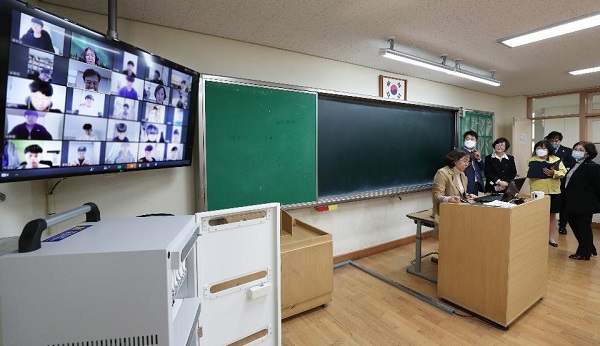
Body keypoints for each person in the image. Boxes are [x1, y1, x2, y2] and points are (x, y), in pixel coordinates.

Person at [563, 141, 600, 260]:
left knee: (583, 228)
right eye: (575, 149)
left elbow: (598, 186)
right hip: (572, 202)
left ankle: (584, 253)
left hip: (584, 203)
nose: (576, 152)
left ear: (588, 154)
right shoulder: (576, 164)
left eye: (580, 150)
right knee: (576, 227)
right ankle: (590, 247)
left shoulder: (592, 166)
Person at [526, 140, 567, 248]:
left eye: (543, 148)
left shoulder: (556, 160)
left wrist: (553, 172)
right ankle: (537, 237)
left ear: (549, 150)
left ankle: (551, 238)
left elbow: (563, 173)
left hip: (554, 191)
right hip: (538, 191)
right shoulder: (532, 160)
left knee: (552, 215)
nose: (540, 150)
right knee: (537, 215)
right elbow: (529, 174)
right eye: (538, 148)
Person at [431, 148, 477, 237]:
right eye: (464, 161)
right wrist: (449, 199)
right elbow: (437, 196)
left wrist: (468, 195)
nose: (467, 164)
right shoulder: (442, 173)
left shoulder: (462, 174)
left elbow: (460, 193)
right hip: (445, 212)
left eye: (468, 161)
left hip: (459, 209)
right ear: (455, 160)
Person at [545, 131, 577, 235]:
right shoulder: (544, 150)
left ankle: (562, 226)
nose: (554, 143)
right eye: (552, 141)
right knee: (548, 204)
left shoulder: (567, 151)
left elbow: (572, 163)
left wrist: (558, 164)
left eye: (556, 141)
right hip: (547, 181)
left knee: (563, 204)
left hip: (562, 180)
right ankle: (545, 226)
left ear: (560, 141)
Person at [462, 130, 485, 195]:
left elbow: (482, 168)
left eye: (472, 139)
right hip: (465, 182)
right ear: (464, 140)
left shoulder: (475, 153)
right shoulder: (459, 153)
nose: (470, 141)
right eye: (467, 139)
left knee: (474, 203)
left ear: (476, 141)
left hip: (476, 183)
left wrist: (479, 159)